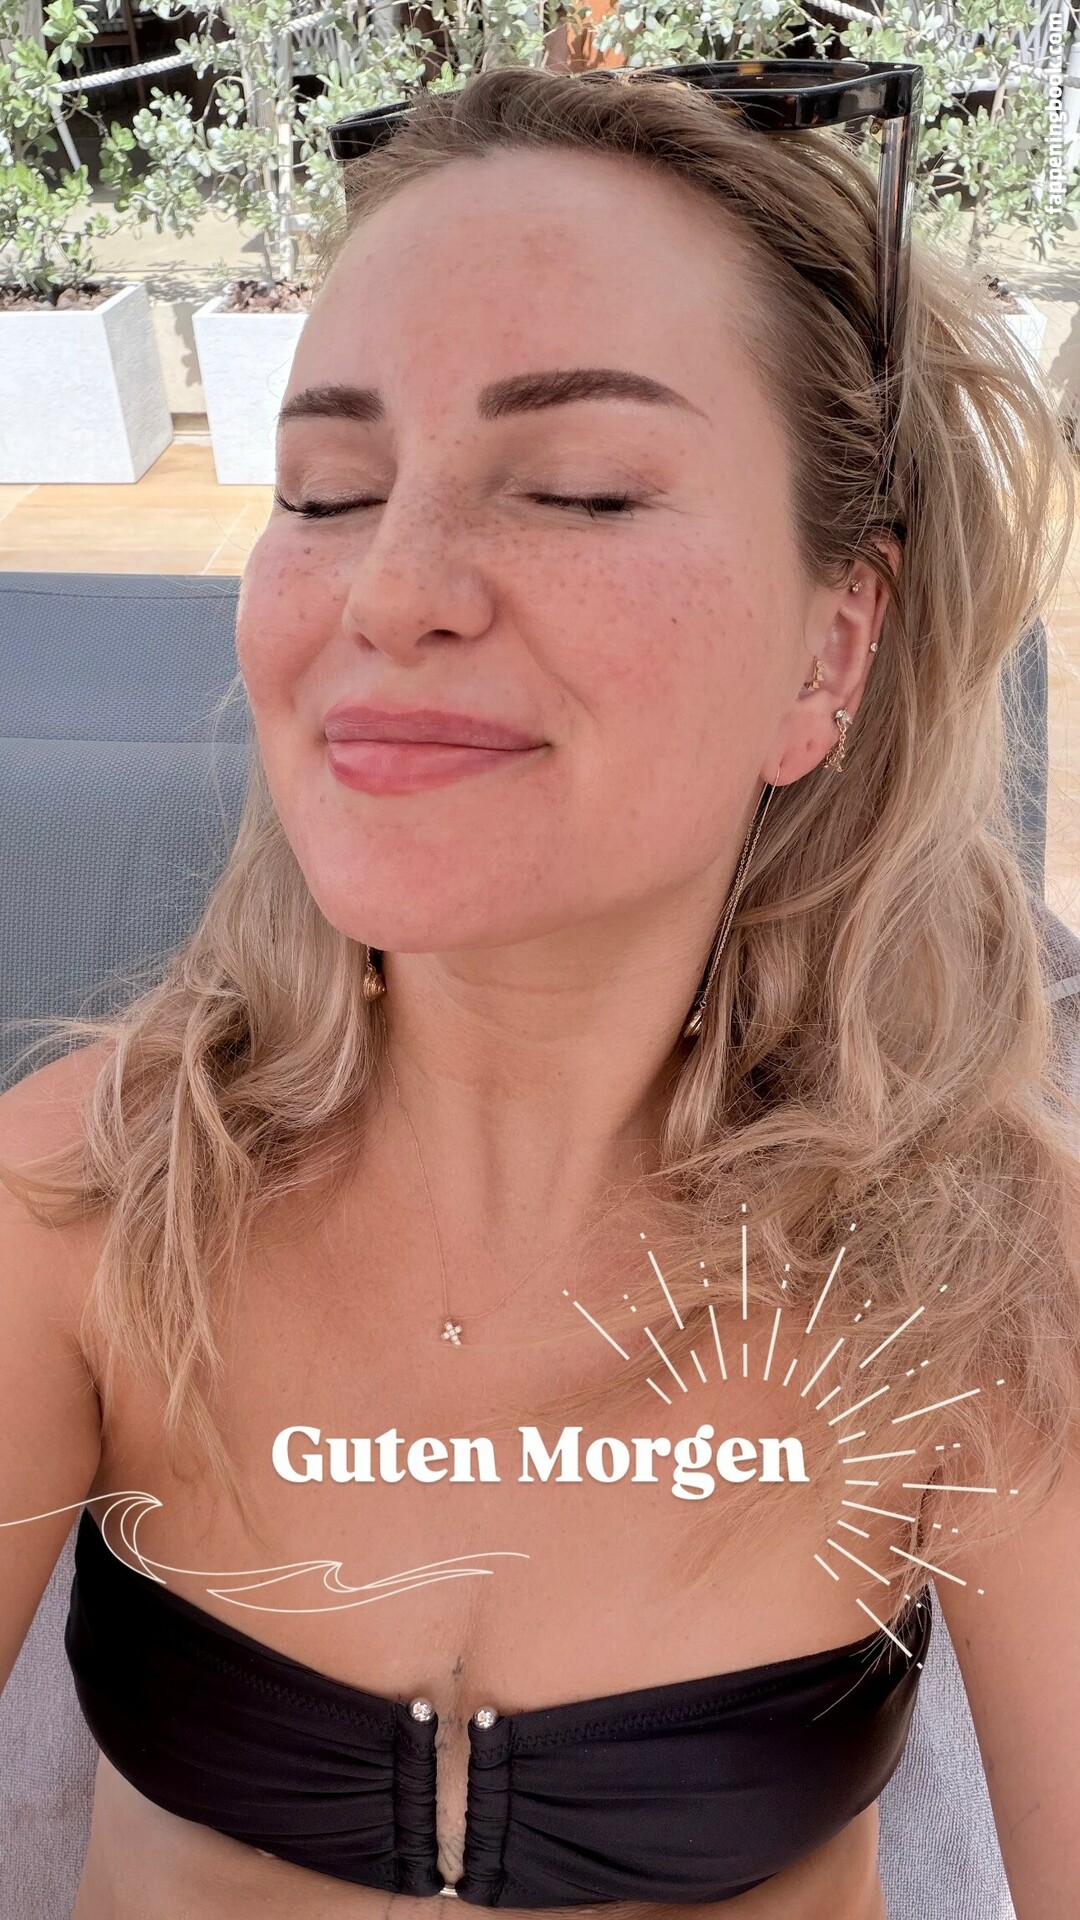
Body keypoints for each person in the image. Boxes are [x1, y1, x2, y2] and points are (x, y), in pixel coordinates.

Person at [2, 59, 1079, 1920]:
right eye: (327, 491)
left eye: (577, 489)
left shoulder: (987, 1285)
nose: (389, 589)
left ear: (833, 648)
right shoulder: (83, 1207)